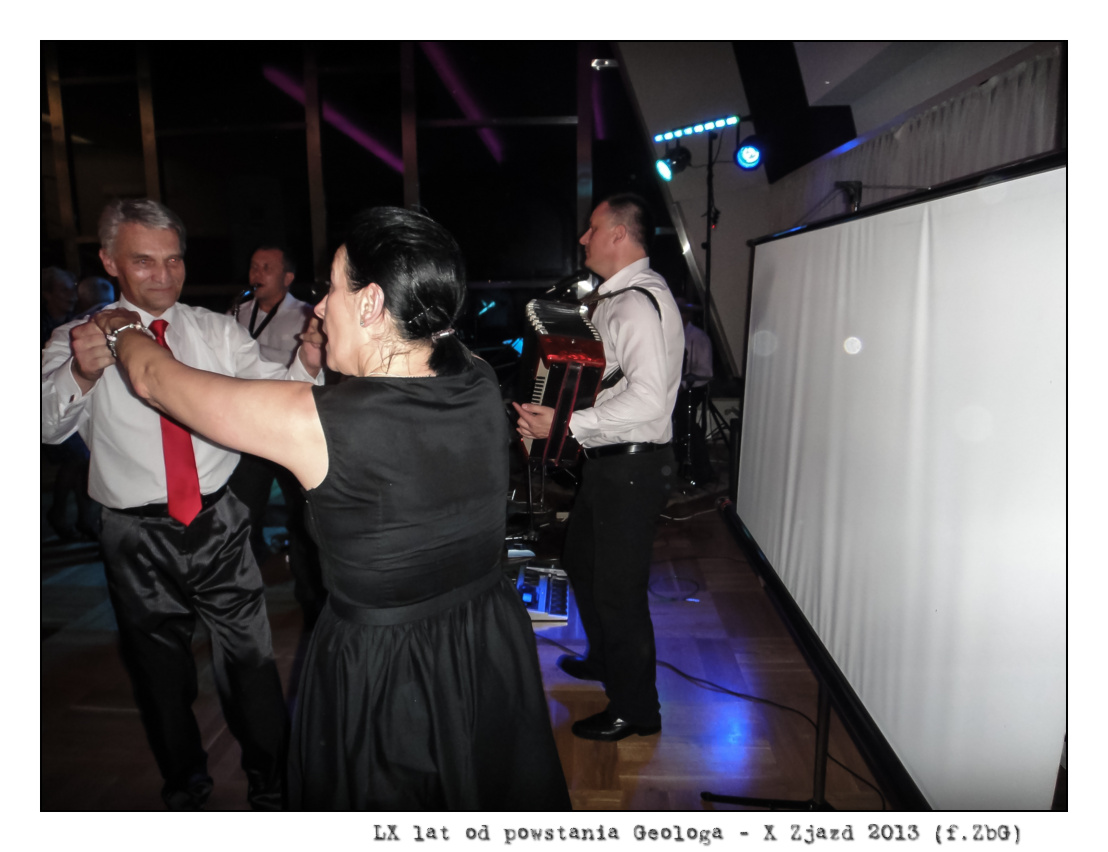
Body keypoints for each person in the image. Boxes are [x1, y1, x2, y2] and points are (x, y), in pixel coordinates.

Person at [93, 206, 571, 811]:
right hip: (488, 636)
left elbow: (156, 382)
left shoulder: (318, 423)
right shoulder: (476, 377)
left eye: (333, 290)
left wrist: (122, 330)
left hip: (386, 665)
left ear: (370, 303)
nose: (318, 308)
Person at [41, 198, 325, 810]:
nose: (164, 275)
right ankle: (186, 786)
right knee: (159, 672)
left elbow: (270, 394)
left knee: (251, 662)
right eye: (144, 261)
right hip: (133, 533)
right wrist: (80, 376)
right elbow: (42, 426)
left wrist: (305, 362)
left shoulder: (215, 331)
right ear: (110, 261)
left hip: (219, 520)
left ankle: (273, 787)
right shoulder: (75, 337)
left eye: (173, 259)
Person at [514, 193, 684, 742]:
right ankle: (607, 659)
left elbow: (649, 400)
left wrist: (563, 426)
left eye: (592, 228)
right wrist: (557, 420)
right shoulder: (622, 298)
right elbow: (610, 387)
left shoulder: (633, 303)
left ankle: (637, 710)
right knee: (582, 563)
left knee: (618, 591)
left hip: (632, 468)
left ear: (618, 234)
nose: (583, 238)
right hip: (614, 464)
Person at [227, 244, 324, 627]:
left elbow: (311, 374)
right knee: (241, 513)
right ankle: (241, 596)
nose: (257, 273)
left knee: (302, 517)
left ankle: (311, 600)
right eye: (254, 266)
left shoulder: (306, 315)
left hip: (289, 432)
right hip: (250, 429)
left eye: (266, 267)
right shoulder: (237, 312)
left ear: (287, 278)